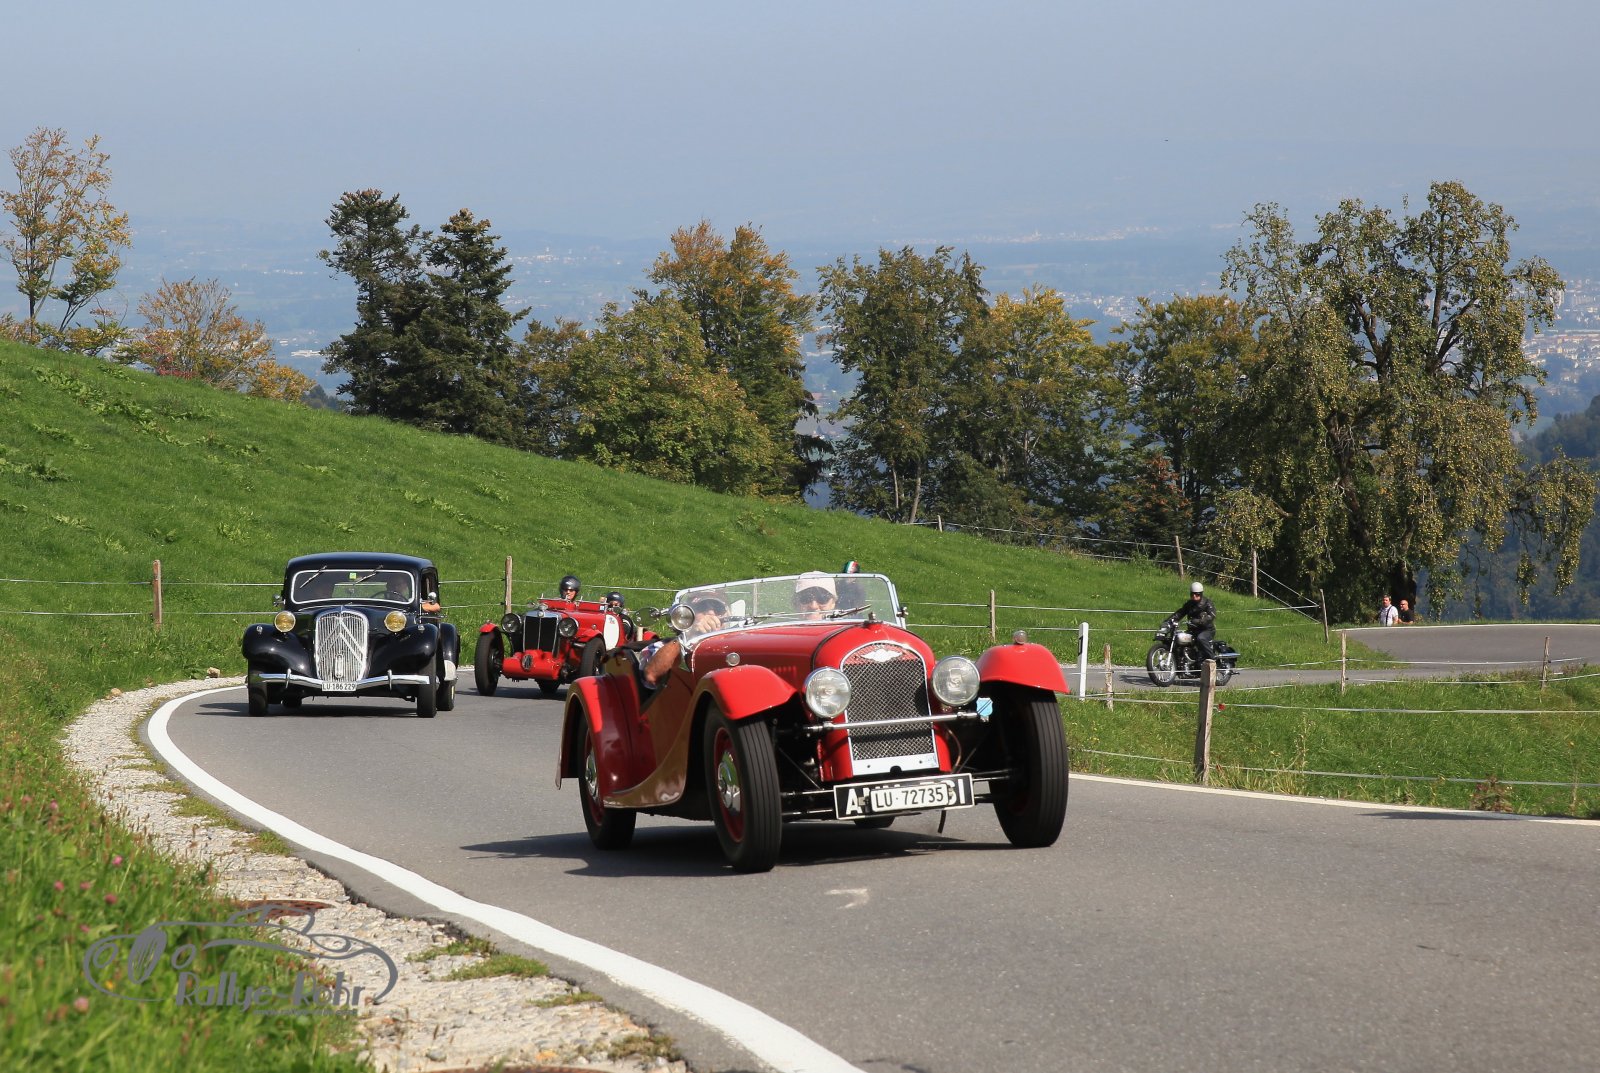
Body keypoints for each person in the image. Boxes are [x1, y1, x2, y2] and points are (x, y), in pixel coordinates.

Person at [642, 591, 726, 687]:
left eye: (718, 608)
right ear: (687, 614)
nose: (711, 613)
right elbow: (651, 675)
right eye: (703, 607)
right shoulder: (663, 646)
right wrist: (691, 635)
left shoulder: (734, 644)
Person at [1174, 581, 1217, 663]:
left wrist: (1201, 621)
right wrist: (1169, 621)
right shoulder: (1189, 604)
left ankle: (1212, 660)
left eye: (1197, 594)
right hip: (1193, 630)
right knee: (1179, 638)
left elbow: (1212, 615)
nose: (1194, 596)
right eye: (1192, 594)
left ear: (1201, 594)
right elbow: (1180, 613)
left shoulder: (1207, 603)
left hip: (1206, 630)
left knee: (1201, 638)